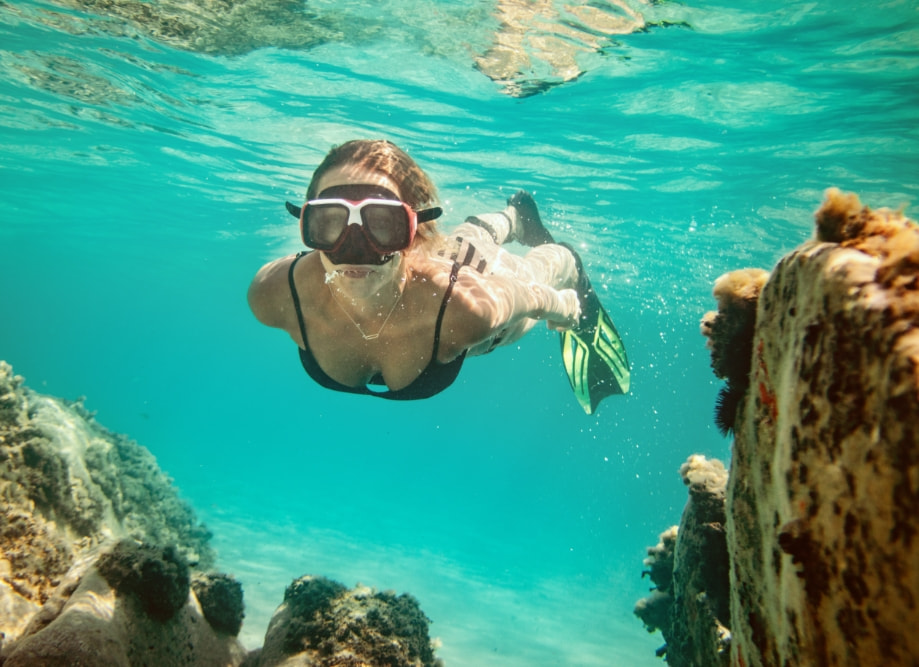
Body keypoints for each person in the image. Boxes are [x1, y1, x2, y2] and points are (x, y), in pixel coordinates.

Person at [247, 139, 628, 411]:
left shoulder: (466, 307)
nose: (355, 248)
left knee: (527, 268)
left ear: (414, 231)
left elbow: (529, 295)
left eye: (382, 225)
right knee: (465, 240)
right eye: (330, 223)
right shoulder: (275, 293)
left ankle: (551, 246)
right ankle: (513, 218)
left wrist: (566, 307)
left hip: (467, 290)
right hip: (429, 272)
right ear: (307, 224)